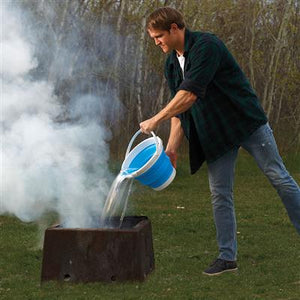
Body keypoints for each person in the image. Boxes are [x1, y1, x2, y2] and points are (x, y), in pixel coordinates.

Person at [139, 7, 300, 276]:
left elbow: (189, 95)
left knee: (279, 177)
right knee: (220, 193)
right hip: (216, 133)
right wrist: (171, 148)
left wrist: (156, 119)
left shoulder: (206, 46)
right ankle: (227, 258)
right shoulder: (170, 64)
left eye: (159, 36)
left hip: (245, 122)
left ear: (175, 29)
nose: (157, 42)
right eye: (154, 38)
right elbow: (180, 109)